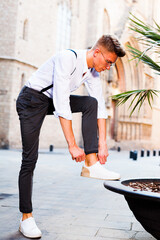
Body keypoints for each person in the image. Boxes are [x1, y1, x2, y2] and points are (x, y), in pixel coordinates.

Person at [16, 34, 126, 238]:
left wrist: (102, 144)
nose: (109, 67)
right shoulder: (67, 58)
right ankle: (26, 218)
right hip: (30, 100)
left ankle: (91, 164)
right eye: (109, 62)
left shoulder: (92, 72)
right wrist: (73, 146)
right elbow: (61, 102)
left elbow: (99, 106)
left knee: (90, 103)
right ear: (97, 53)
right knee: (29, 159)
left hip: (49, 100)